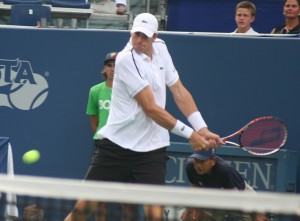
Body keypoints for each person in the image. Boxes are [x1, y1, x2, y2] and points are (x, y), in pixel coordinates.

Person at [65, 12, 224, 221]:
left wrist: (201, 127)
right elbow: (151, 109)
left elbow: (178, 90)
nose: (139, 40)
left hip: (151, 149)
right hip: (117, 146)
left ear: (154, 37)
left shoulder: (162, 49)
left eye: (144, 36)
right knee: (82, 210)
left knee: (155, 215)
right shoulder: (125, 60)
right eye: (136, 35)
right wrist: (190, 134)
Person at [181, 149, 269, 221]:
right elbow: (195, 186)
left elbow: (235, 199)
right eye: (196, 161)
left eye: (202, 162)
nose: (198, 165)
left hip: (241, 197)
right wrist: (189, 208)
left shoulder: (224, 171)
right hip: (213, 197)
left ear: (213, 161)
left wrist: (257, 212)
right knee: (190, 217)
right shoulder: (190, 166)